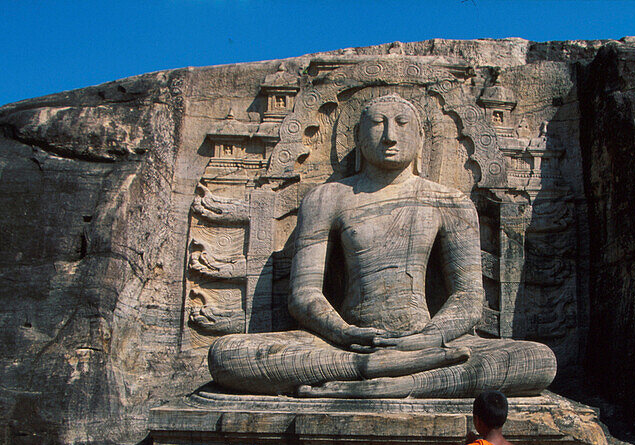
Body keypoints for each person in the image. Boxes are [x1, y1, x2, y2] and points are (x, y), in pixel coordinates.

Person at [207, 94, 556, 398]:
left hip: (430, 341)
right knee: (228, 354)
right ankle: (384, 370)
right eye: (377, 124)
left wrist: (427, 338)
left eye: (402, 124)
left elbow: (468, 299)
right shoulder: (328, 198)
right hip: (347, 344)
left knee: (537, 361)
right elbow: (304, 295)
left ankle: (392, 382)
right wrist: (345, 333)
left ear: (420, 137)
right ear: (358, 137)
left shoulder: (449, 201)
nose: (390, 136)